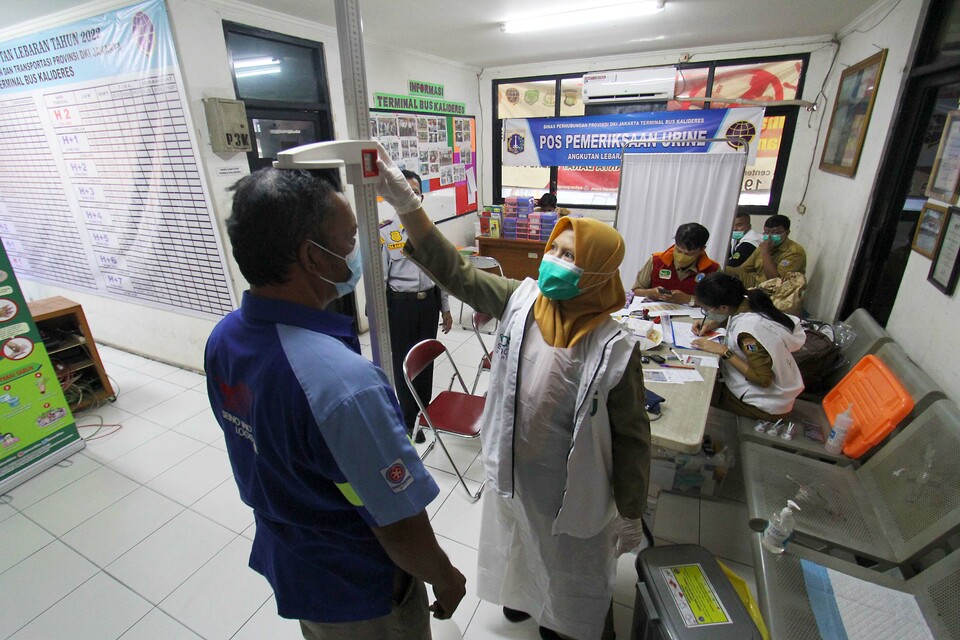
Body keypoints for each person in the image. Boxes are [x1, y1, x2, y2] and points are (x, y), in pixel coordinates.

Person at [376, 147, 651, 640]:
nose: (556, 262)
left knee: (572, 575)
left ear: (598, 271)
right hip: (514, 468)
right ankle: (524, 601)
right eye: (554, 250)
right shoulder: (520, 299)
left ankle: (569, 625)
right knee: (518, 546)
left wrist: (632, 508)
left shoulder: (615, 347)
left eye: (571, 256)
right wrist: (407, 206)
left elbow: (632, 437)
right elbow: (455, 273)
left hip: (573, 488)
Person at [204, 168, 465, 640]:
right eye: (349, 240)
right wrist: (445, 577)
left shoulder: (224, 339)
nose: (357, 252)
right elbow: (399, 524)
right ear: (313, 257)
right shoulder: (343, 385)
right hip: (361, 583)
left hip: (296, 560)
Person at [380, 170, 453, 443]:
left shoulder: (430, 229)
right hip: (402, 306)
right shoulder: (387, 233)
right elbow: (379, 281)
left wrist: (445, 308)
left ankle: (425, 412)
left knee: (427, 360)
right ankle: (409, 421)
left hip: (429, 304)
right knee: (405, 363)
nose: (412, 197)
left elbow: (439, 273)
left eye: (416, 192)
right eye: (406, 191)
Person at [690, 272, 805, 420]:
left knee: (698, 390)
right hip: (779, 395)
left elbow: (762, 379)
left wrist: (724, 351)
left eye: (705, 310)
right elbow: (734, 318)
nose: (705, 313)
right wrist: (713, 322)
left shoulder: (748, 334)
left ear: (723, 308)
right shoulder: (748, 301)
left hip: (764, 405)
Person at [631, 222, 720, 305]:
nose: (681, 257)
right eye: (678, 250)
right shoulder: (656, 261)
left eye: (689, 254)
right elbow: (636, 291)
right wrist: (651, 293)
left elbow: (716, 303)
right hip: (655, 314)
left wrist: (689, 299)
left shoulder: (712, 269)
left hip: (692, 319)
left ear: (702, 249)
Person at [725, 214, 806, 288]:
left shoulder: (794, 252)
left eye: (776, 233)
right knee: (723, 271)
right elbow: (744, 268)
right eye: (767, 232)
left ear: (787, 233)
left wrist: (766, 253)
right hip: (756, 281)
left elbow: (775, 282)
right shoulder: (763, 246)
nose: (769, 237)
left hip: (774, 290)